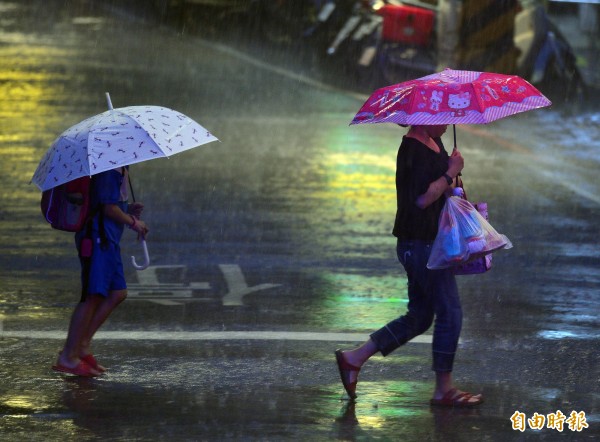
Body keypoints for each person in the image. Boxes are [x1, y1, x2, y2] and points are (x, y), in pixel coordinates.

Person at [335, 124, 483, 407]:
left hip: (429, 243)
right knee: (450, 313)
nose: (447, 119)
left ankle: (354, 358)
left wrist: (454, 181)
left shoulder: (434, 140)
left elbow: (441, 190)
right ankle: (444, 389)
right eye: (441, 114)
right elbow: (422, 198)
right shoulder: (411, 149)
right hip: (421, 246)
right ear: (423, 116)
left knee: (420, 316)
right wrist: (449, 172)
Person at [52, 166, 148, 377]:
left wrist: (128, 209)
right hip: (97, 239)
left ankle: (82, 344)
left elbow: (109, 203)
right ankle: (68, 356)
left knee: (117, 293)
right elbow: (106, 208)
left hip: (109, 240)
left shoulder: (119, 166)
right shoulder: (109, 169)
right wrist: (133, 222)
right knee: (92, 296)